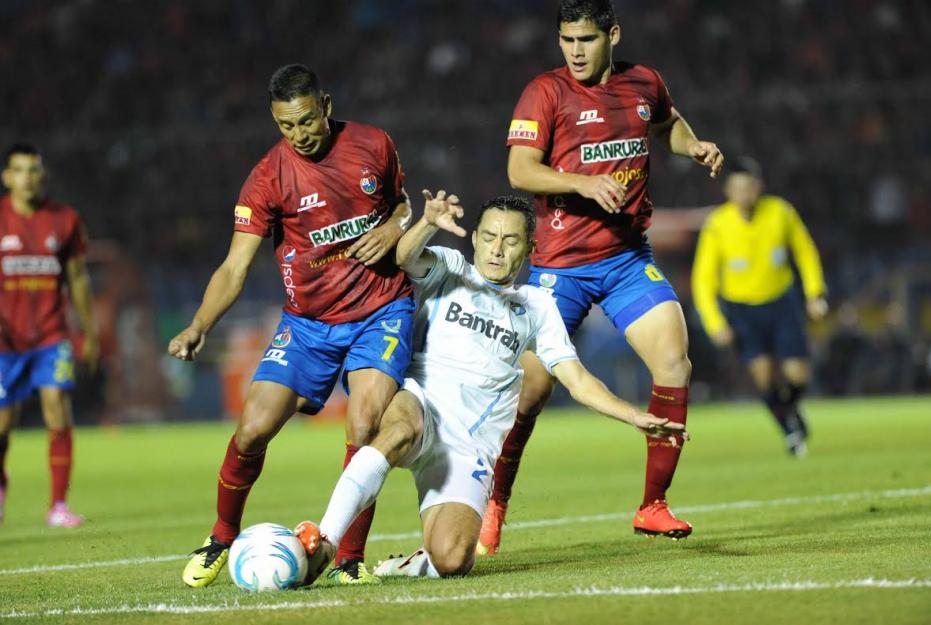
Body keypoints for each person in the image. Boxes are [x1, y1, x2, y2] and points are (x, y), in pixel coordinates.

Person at [294, 191, 686, 581]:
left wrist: (632, 414)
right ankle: (325, 540)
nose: (497, 249)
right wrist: (428, 223)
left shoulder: (537, 306)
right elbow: (404, 257)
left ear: (530, 247)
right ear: (475, 238)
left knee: (452, 561)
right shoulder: (450, 269)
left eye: (510, 240)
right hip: (422, 404)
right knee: (398, 428)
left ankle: (413, 564)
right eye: (489, 237)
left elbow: (577, 380)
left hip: (469, 448)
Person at [479, 0, 723, 555]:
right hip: (557, 268)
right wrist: (583, 184)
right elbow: (520, 170)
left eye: (586, 39)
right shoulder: (545, 91)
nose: (575, 51)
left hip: (625, 260)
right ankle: (495, 503)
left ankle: (653, 506)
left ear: (612, 34)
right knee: (531, 391)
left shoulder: (644, 82)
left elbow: (667, 125)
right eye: (567, 40)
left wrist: (694, 145)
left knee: (674, 362)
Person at [169, 64, 416, 587]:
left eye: (306, 121)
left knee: (364, 424)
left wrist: (395, 225)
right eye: (286, 126)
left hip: (381, 310)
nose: (299, 135)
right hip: (307, 324)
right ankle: (220, 536)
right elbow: (235, 267)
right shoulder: (267, 178)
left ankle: (348, 559)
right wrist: (199, 325)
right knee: (253, 428)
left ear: (325, 104)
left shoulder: (373, 143)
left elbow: (401, 203)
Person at [691, 156, 827, 456]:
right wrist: (715, 323)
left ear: (759, 186)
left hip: (782, 302)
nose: (744, 194)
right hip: (742, 311)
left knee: (798, 376)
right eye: (737, 188)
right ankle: (791, 429)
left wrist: (815, 294)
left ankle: (789, 415)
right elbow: (703, 280)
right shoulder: (717, 225)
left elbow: (805, 252)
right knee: (764, 377)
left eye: (749, 187)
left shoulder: (781, 212)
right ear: (727, 190)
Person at [0, 143, 98, 528]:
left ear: (44, 175)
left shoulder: (65, 219)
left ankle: (58, 504)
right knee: (3, 426)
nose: (28, 177)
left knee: (57, 407)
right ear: (7, 177)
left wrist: (89, 332)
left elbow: (77, 279)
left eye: (34, 170)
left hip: (50, 335)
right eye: (20, 170)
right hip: (5, 341)